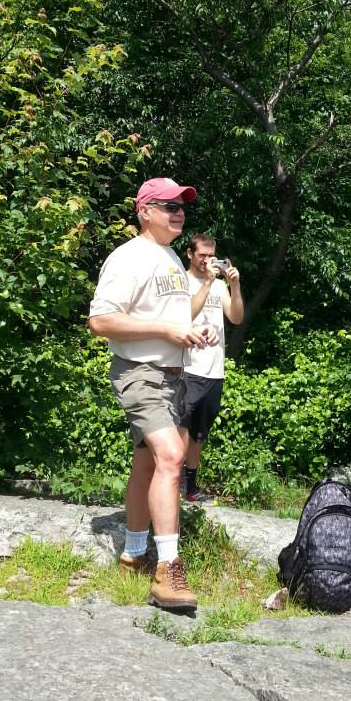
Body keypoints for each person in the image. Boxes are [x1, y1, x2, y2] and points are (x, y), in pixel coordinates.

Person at [88, 177, 217, 610]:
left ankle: (132, 555)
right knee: (172, 457)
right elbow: (101, 321)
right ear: (144, 211)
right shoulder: (128, 257)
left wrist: (192, 331)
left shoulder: (170, 258)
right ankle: (167, 570)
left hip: (173, 376)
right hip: (140, 374)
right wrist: (166, 330)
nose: (179, 213)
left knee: (147, 463)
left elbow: (171, 318)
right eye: (169, 206)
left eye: (182, 206)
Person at [182, 233, 244, 503]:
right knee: (181, 430)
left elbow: (236, 317)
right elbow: (184, 315)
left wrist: (235, 286)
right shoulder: (182, 281)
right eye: (202, 256)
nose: (207, 261)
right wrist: (207, 282)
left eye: (211, 256)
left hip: (214, 370)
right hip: (186, 367)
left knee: (199, 433)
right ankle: (172, 482)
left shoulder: (220, 285)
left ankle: (190, 485)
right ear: (190, 254)